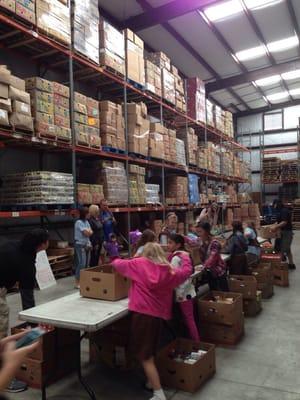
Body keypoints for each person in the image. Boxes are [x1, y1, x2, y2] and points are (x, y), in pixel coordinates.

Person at [112, 243, 192, 400]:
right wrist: (185, 257)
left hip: (142, 315)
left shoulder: (138, 264)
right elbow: (186, 272)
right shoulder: (170, 271)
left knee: (145, 356)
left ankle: (158, 393)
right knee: (150, 350)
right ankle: (150, 381)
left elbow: (117, 264)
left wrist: (116, 255)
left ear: (145, 254)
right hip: (158, 317)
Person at [0, 228, 49, 393]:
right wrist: (33, 328)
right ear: (42, 245)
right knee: (1, 328)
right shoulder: (26, 261)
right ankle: (4, 378)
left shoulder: (13, 245)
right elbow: (27, 299)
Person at [167, 234, 200, 341]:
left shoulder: (176, 258)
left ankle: (196, 342)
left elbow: (175, 278)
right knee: (189, 318)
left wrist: (179, 295)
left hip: (182, 295)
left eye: (170, 243)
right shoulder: (185, 255)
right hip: (188, 292)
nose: (168, 245)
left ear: (178, 245)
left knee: (188, 319)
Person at [197, 222, 229, 291]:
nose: (198, 234)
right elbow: (191, 242)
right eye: (197, 232)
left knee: (222, 294)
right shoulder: (201, 242)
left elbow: (212, 258)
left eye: (200, 232)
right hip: (210, 273)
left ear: (206, 232)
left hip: (218, 273)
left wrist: (203, 267)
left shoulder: (214, 243)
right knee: (214, 294)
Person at [271, 199, 296, 270]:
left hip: (286, 233)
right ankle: (291, 264)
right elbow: (279, 221)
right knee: (287, 249)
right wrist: (273, 225)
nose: (274, 206)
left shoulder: (284, 211)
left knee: (282, 249)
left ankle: (280, 268)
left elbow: (284, 222)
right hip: (282, 232)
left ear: (277, 204)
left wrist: (275, 227)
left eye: (274, 205)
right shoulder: (280, 211)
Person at [74, 207, 93, 289]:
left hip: (87, 244)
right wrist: (88, 232)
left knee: (86, 264)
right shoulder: (79, 222)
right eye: (88, 213)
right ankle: (77, 282)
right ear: (84, 214)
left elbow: (91, 232)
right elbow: (86, 233)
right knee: (81, 263)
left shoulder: (87, 222)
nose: (89, 214)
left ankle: (84, 280)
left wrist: (88, 232)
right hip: (80, 244)